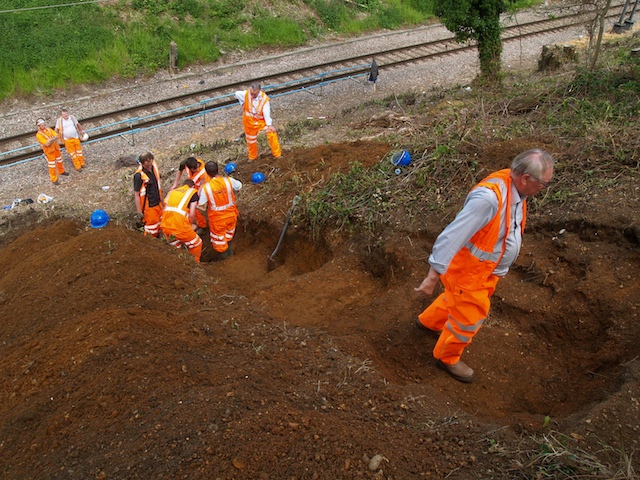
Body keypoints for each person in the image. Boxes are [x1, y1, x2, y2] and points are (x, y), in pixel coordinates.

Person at [414, 148, 555, 383]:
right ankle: (446, 358)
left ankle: (428, 322)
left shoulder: (515, 189)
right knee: (469, 318)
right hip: (469, 273)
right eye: (544, 183)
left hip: (483, 271)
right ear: (525, 178)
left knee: (454, 299)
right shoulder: (488, 200)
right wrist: (432, 277)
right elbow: (452, 235)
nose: (544, 188)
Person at [198, 161, 242, 259]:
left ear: (207, 173)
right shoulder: (228, 181)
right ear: (218, 169)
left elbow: (201, 205)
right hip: (231, 216)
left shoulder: (207, 188)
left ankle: (226, 259)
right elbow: (239, 186)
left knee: (219, 243)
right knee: (229, 235)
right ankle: (230, 253)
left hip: (217, 220)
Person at [235, 83, 281, 161]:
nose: (252, 96)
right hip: (249, 122)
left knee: (271, 133)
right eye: (251, 94)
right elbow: (236, 93)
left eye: (254, 94)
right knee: (250, 140)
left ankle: (277, 155)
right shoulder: (245, 94)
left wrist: (269, 125)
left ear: (259, 91)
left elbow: (266, 112)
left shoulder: (264, 99)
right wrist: (242, 103)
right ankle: (252, 157)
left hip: (260, 122)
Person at [160, 179, 203, 262]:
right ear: (193, 186)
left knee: (175, 246)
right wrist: (190, 225)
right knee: (197, 243)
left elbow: (164, 209)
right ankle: (194, 264)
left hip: (165, 225)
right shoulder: (192, 193)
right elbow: (192, 214)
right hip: (179, 227)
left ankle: (177, 263)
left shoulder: (172, 192)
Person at [171, 157, 209, 230]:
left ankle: (202, 226)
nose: (197, 169)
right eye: (195, 169)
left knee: (196, 208)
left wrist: (197, 196)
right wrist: (175, 184)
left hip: (203, 186)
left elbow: (202, 185)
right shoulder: (184, 164)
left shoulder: (202, 171)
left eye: (197, 168)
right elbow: (180, 171)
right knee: (193, 207)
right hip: (193, 186)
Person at [133, 152, 163, 237]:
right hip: (149, 206)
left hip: (158, 202)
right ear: (142, 163)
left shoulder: (153, 166)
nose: (150, 167)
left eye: (150, 164)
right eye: (147, 165)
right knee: (151, 229)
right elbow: (137, 194)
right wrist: (139, 211)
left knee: (160, 224)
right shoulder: (139, 175)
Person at [35, 118, 67, 185]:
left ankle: (61, 171)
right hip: (49, 151)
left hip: (55, 148)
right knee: (52, 165)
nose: (44, 126)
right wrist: (53, 139)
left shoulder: (49, 129)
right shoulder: (39, 135)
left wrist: (51, 140)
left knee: (59, 160)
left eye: (44, 124)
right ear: (39, 126)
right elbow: (47, 143)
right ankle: (54, 179)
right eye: (42, 125)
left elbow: (57, 136)